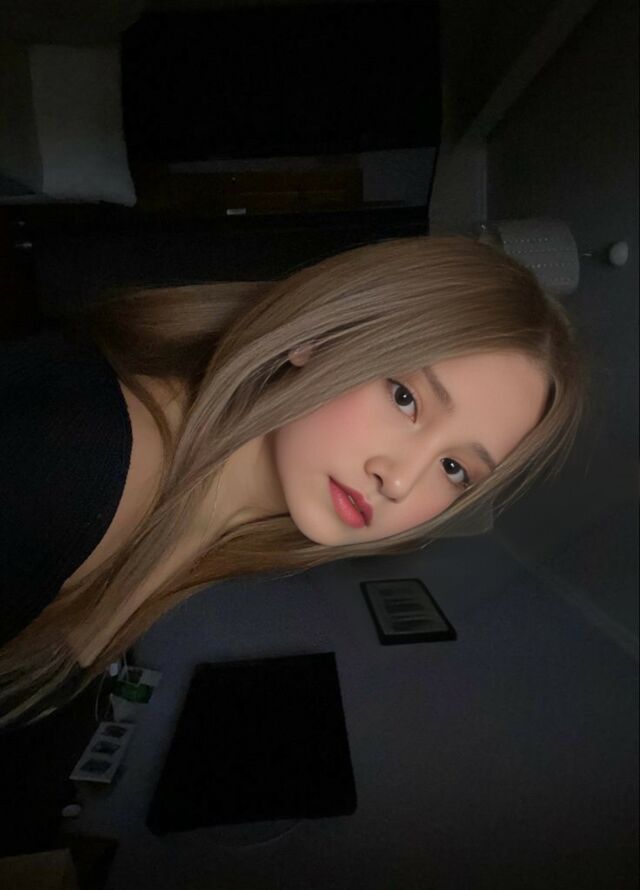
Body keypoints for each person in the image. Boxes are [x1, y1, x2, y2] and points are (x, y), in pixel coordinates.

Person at [0, 235, 588, 728]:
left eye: (454, 469)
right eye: (405, 397)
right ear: (316, 337)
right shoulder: (71, 450)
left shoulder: (207, 528)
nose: (399, 481)